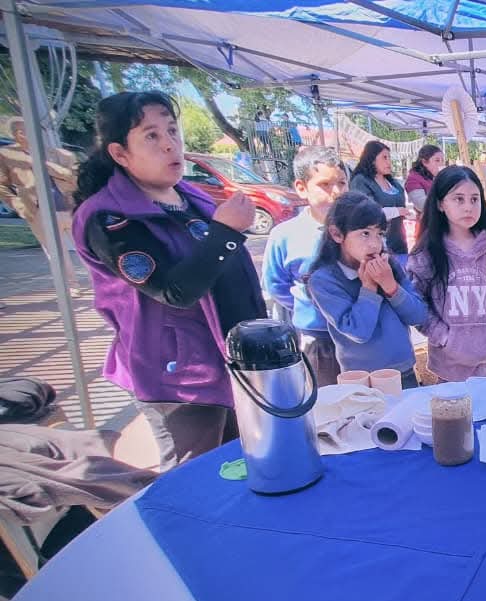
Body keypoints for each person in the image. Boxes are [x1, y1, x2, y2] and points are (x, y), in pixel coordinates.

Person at [71, 91, 264, 469]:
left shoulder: (191, 197)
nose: (170, 144)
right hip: (180, 381)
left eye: (173, 131)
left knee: (242, 468)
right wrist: (225, 232)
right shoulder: (109, 219)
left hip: (231, 364)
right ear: (119, 154)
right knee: (195, 480)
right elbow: (175, 292)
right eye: (151, 136)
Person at [307, 192, 428, 389]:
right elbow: (359, 332)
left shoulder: (389, 266)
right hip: (360, 379)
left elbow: (419, 316)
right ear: (337, 234)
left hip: (402, 372)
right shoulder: (324, 281)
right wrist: (369, 288)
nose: (374, 243)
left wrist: (391, 287)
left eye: (379, 234)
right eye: (364, 233)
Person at [406, 166, 486, 383]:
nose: (468, 207)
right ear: (440, 203)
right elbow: (418, 304)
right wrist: (444, 337)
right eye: (459, 199)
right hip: (447, 368)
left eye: (475, 199)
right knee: (451, 415)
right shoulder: (426, 253)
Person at [261, 146, 349, 387]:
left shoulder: (360, 230)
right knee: (327, 408)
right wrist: (309, 304)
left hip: (362, 338)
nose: (337, 192)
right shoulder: (285, 235)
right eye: (325, 184)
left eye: (342, 183)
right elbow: (276, 286)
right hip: (318, 340)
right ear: (301, 187)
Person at [0, 116, 82, 294]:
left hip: (68, 206)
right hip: (37, 211)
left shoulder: (57, 154)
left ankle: (102, 280)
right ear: (18, 134)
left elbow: (73, 176)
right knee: (56, 252)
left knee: (86, 245)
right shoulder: (6, 155)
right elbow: (1, 184)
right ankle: (71, 285)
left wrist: (42, 163)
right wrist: (17, 204)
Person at [349, 140, 410, 256]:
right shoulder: (361, 181)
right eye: (384, 158)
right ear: (372, 159)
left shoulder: (392, 182)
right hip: (376, 244)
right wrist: (397, 211)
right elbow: (365, 212)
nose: (389, 162)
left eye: (389, 158)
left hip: (398, 241)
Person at [404, 144, 444, 214]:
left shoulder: (434, 177)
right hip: (427, 223)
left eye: (442, 160)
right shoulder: (413, 179)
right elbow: (422, 205)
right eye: (437, 160)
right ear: (424, 162)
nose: (441, 164)